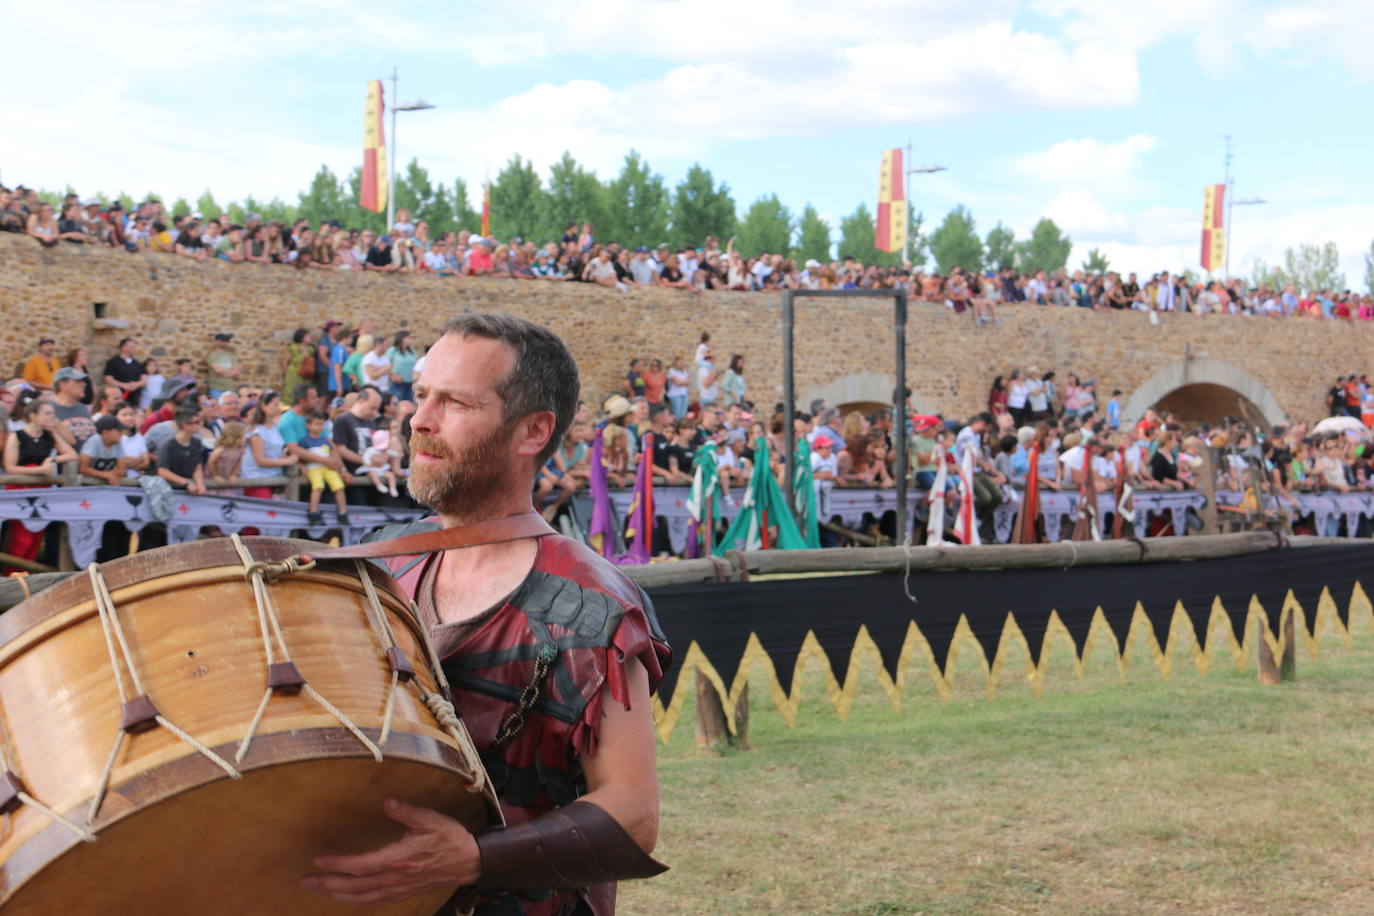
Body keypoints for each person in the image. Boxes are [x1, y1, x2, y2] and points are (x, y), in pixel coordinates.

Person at [302, 313, 671, 915]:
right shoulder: (378, 569)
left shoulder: (592, 608)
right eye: (421, 395)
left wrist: (475, 859)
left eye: (456, 402)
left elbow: (632, 815)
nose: (420, 420)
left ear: (532, 431)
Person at [2, 399, 76, 572]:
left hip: (42, 491)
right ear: (33, 416)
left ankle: (27, 575)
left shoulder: (49, 435)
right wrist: (38, 470)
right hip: (21, 490)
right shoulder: (17, 436)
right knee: (22, 539)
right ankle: (12, 576)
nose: (52, 417)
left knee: (36, 537)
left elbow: (72, 454)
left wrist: (52, 459)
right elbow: (10, 467)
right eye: (47, 413)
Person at [239, 390, 298, 498]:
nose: (278, 408)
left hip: (275, 480)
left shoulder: (275, 428)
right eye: (275, 404)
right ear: (263, 405)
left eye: (279, 405)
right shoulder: (255, 430)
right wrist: (287, 461)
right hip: (257, 480)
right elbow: (260, 460)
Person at [297, 411, 351, 527]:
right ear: (309, 425)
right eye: (316, 424)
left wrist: (339, 469)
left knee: (339, 486)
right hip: (313, 468)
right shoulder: (304, 441)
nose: (320, 427)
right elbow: (300, 457)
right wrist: (302, 467)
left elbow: (333, 455)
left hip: (328, 468)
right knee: (318, 486)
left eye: (321, 424)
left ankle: (343, 512)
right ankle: (313, 511)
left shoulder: (326, 440)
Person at [156, 406, 208, 495]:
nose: (200, 425)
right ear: (186, 426)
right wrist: (186, 482)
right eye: (197, 422)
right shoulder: (168, 445)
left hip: (190, 490)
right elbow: (162, 471)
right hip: (170, 491)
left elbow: (197, 467)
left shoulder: (197, 443)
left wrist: (200, 484)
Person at [78, 415, 129, 484]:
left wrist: (107, 475)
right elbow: (83, 468)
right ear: (105, 432)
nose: (121, 434)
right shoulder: (94, 441)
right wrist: (107, 475)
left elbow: (121, 471)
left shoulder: (117, 443)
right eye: (118, 431)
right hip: (88, 484)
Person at [359, 428, 400, 496]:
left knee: (391, 475)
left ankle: (393, 488)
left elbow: (393, 453)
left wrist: (397, 454)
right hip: (372, 468)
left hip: (382, 469)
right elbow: (366, 457)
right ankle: (379, 485)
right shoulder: (371, 450)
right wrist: (368, 463)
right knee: (372, 474)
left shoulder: (387, 451)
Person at [206, 333, 241, 398]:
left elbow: (237, 371)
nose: (225, 342)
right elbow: (218, 371)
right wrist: (231, 372)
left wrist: (224, 373)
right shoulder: (212, 355)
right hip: (216, 388)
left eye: (227, 341)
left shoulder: (231, 355)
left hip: (231, 388)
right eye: (222, 340)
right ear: (216, 341)